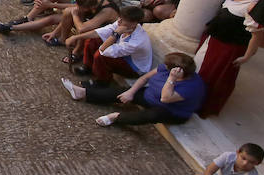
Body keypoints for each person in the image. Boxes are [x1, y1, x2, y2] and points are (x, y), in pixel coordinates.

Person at [63, 50, 205, 127]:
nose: (165, 68)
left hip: (170, 111)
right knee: (122, 91)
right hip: (150, 96)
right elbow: (144, 78)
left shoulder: (191, 87)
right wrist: (131, 92)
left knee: (150, 116)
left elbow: (166, 98)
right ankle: (83, 93)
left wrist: (171, 79)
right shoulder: (166, 68)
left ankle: (117, 118)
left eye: (168, 68)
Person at [197, 0, 264, 117]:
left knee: (213, 76)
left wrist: (246, 57)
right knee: (200, 68)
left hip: (228, 48)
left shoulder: (253, 7)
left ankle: (203, 105)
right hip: (214, 40)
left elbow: (256, 35)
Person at [65, 5, 154, 84]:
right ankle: (88, 67)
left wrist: (116, 34)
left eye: (123, 20)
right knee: (92, 40)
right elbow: (101, 31)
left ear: (134, 23)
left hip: (133, 67)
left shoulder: (137, 41)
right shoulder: (123, 23)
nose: (119, 21)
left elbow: (103, 50)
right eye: (120, 18)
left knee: (101, 56)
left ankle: (102, 81)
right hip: (122, 54)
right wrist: (76, 37)